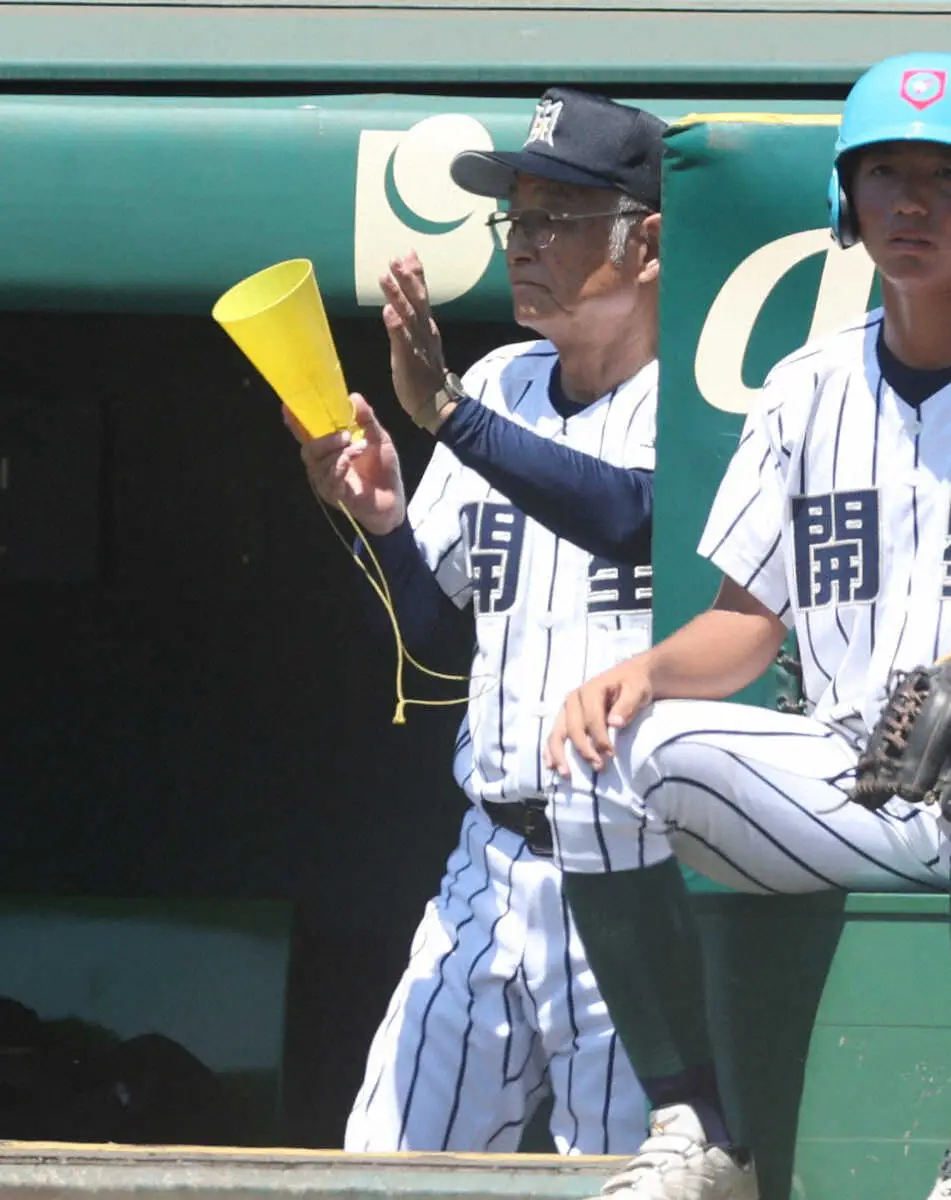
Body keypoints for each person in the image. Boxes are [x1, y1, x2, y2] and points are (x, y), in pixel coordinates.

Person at [543, 52, 951, 1200]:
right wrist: (644, 671)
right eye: (888, 177)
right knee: (593, 756)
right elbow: (747, 626)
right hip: (852, 777)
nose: (913, 205)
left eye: (944, 178)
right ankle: (706, 1128)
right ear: (848, 200)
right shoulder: (807, 388)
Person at [288, 87, 665, 1153]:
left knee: (632, 1179)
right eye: (518, 218)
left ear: (645, 245)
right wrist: (383, 525)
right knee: (389, 1165)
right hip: (491, 859)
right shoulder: (504, 380)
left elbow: (630, 514)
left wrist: (448, 417)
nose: (524, 243)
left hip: (639, 876)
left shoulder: (702, 399)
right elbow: (431, 640)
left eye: (556, 218)